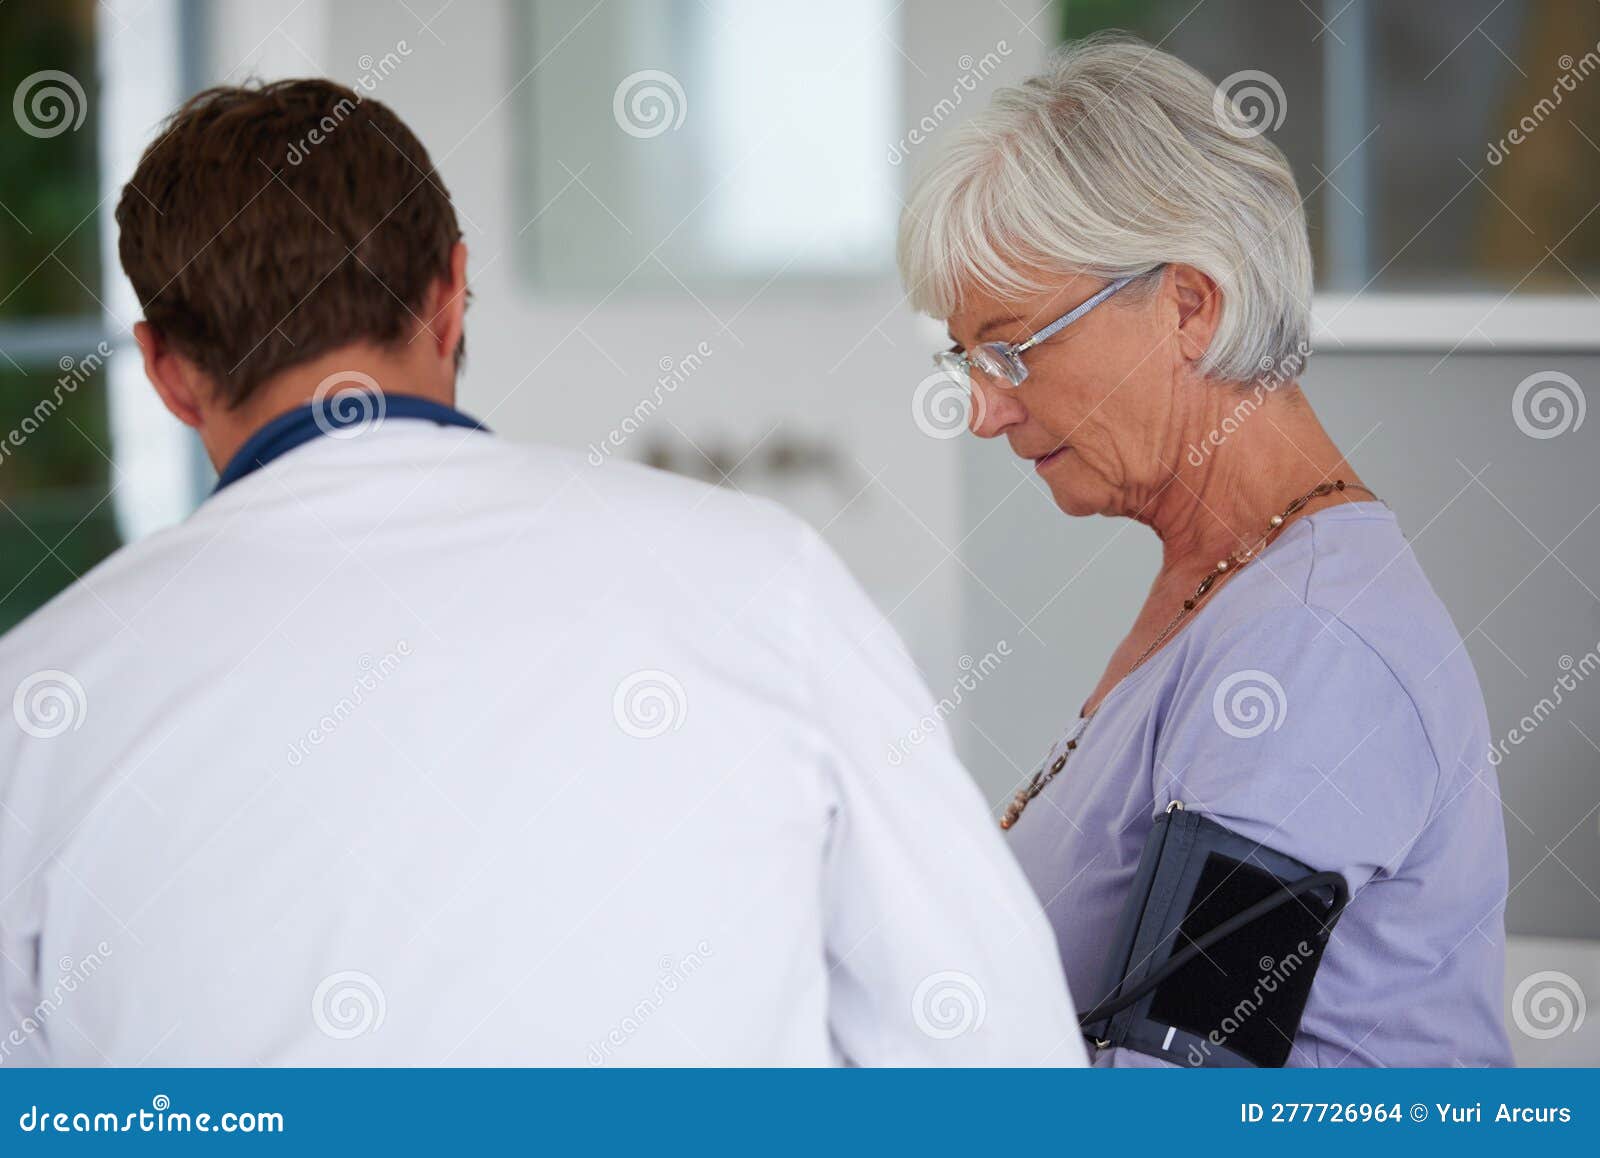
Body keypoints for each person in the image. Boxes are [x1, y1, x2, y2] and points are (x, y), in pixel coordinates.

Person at [0, 79, 1082, 1067]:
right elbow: (994, 1053)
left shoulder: (37, 698)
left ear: (164, 372)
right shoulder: (761, 580)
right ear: (452, 292)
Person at [896, 34, 1512, 1066]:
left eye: (1009, 350)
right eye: (967, 359)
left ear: (1188, 304)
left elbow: (1179, 1096)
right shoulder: (1222, 589)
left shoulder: (1312, 647)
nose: (983, 411)